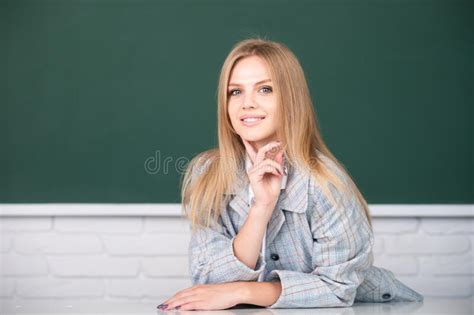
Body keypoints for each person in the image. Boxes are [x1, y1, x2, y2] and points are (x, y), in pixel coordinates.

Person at [157, 37, 424, 311]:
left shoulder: (325, 182)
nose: (247, 104)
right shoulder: (208, 174)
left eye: (265, 89)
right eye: (235, 92)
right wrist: (261, 208)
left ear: (290, 99)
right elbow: (210, 279)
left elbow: (337, 290)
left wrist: (242, 290)